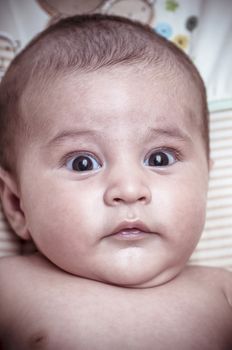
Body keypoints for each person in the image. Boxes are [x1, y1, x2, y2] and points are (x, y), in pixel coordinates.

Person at [0, 14, 231, 350]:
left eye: (160, 158)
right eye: (83, 163)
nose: (129, 190)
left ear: (205, 182)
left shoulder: (222, 291)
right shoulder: (10, 288)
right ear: (16, 205)